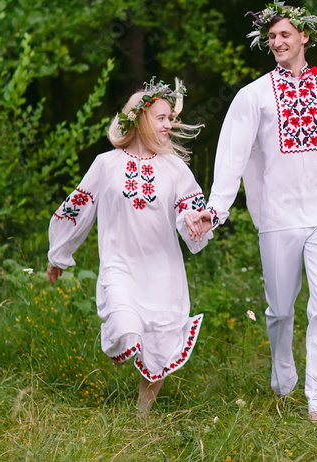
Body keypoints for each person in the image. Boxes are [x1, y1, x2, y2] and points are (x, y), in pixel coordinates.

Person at [185, 0, 317, 423]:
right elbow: (231, 156)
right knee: (280, 309)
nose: (278, 41)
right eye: (272, 36)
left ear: (304, 37)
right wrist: (215, 209)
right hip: (277, 218)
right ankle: (283, 374)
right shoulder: (254, 96)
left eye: (285, 34)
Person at [47, 78, 211, 414]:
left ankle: (141, 417)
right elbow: (78, 207)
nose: (169, 125)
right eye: (161, 118)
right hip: (119, 265)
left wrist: (195, 222)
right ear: (139, 119)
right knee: (126, 329)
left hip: (163, 271)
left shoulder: (175, 168)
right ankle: (127, 349)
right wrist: (59, 253)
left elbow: (188, 212)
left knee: (160, 344)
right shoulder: (106, 165)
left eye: (171, 118)